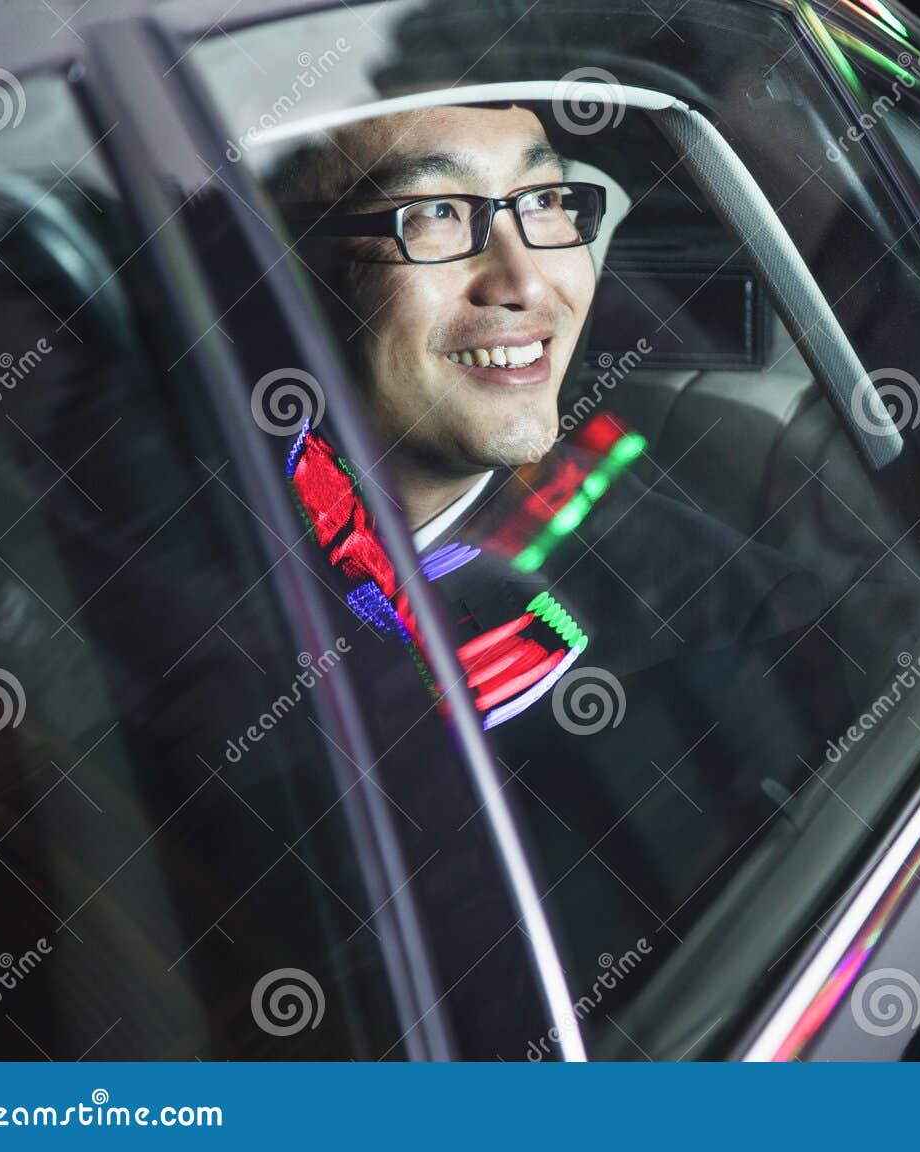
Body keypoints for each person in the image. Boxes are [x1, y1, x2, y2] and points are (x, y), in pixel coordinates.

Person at [276, 102, 851, 941]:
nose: (524, 281)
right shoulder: (179, 577)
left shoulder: (718, 605)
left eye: (545, 202)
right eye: (436, 213)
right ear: (288, 275)